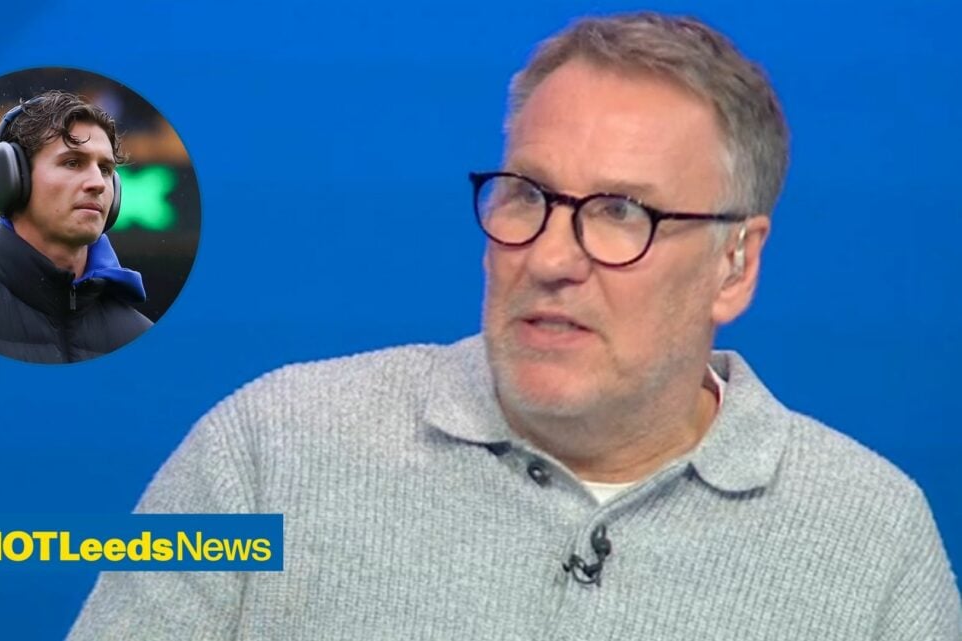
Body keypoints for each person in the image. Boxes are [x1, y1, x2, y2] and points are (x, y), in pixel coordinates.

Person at [68, 12, 961, 639]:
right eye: (528, 195)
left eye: (619, 212)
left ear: (736, 261)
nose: (550, 256)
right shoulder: (269, 450)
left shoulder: (871, 537)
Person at [0, 90, 151, 364]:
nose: (98, 183)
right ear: (11, 179)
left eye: (104, 169)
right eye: (72, 162)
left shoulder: (141, 337)